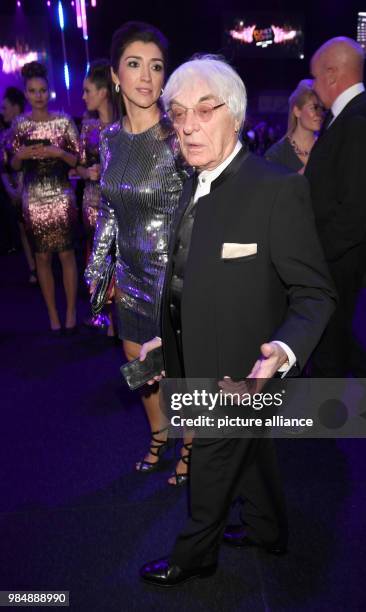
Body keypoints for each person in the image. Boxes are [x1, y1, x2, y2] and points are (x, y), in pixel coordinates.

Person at [138, 54, 337, 587]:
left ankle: (194, 553)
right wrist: (168, 332)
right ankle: (268, 528)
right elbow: (186, 274)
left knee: (210, 463)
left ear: (238, 114)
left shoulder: (277, 190)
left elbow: (315, 293)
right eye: (177, 114)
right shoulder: (187, 184)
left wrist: (284, 351)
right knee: (251, 456)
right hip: (194, 353)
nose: (187, 126)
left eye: (205, 111)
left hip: (245, 374)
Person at [85, 22, 192, 485]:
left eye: (156, 66)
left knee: (183, 372)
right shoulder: (108, 140)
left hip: (176, 275)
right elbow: (109, 209)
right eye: (134, 65)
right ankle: (159, 433)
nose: (146, 77)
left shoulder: (179, 137)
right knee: (141, 367)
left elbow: (199, 210)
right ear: (115, 75)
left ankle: (192, 445)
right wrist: (99, 272)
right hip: (128, 276)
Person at [304, 37, 366, 378]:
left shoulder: (358, 120)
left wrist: (314, 258)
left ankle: (324, 429)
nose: (313, 85)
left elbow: (354, 213)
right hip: (335, 260)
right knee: (335, 344)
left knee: (328, 355)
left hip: (337, 262)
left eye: (315, 77)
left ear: (332, 74)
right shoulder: (350, 116)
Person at [10, 62, 79, 333]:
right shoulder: (19, 125)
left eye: (42, 90)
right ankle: (52, 314)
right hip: (34, 196)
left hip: (61, 194)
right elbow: (12, 165)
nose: (38, 95)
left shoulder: (63, 121)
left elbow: (77, 158)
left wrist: (58, 153)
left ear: (49, 92)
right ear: (26, 94)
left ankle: (72, 311)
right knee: (41, 258)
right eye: (32, 91)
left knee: (66, 253)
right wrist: (21, 156)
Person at [77, 59, 114, 332]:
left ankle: (117, 316)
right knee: (96, 254)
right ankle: (100, 311)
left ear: (103, 92)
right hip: (91, 198)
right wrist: (86, 171)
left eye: (88, 90)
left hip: (114, 200)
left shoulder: (121, 126)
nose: (83, 96)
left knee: (117, 254)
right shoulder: (88, 127)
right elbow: (77, 163)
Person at [0, 87, 36, 281]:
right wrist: (11, 190)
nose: (2, 112)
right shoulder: (5, 135)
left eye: (5, 107)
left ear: (16, 107)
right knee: (22, 228)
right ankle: (33, 269)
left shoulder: (28, 130)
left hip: (30, 185)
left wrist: (21, 188)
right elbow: (3, 168)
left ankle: (41, 265)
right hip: (12, 189)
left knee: (33, 227)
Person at [265, 79, 324, 173]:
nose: (320, 114)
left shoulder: (326, 148)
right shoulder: (277, 154)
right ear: (297, 111)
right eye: (314, 108)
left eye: (322, 108)